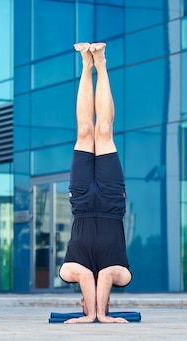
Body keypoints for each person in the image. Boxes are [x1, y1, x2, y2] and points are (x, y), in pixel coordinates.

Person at [59, 42, 132, 324]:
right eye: (87, 303)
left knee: (84, 130)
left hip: (82, 202)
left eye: (84, 303)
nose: (84, 300)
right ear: (107, 298)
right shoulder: (120, 274)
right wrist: (100, 314)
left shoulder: (71, 271)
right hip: (111, 202)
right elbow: (101, 276)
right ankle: (100, 64)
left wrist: (90, 315)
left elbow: (88, 276)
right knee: (104, 131)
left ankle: (85, 66)